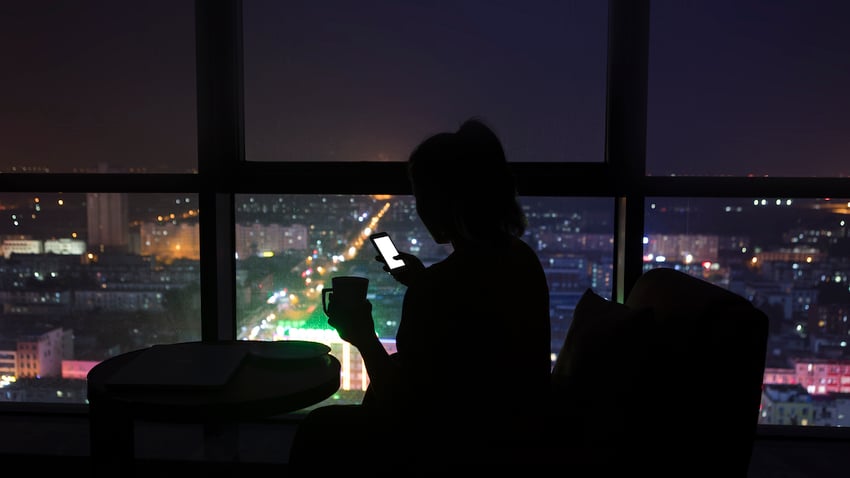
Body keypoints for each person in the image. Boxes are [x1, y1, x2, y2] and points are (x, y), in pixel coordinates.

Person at [288, 117, 551, 469]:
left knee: (316, 431)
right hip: (514, 440)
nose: (418, 208)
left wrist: (364, 337)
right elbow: (472, 333)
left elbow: (404, 408)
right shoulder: (522, 260)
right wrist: (424, 281)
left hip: (442, 448)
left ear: (445, 203)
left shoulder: (440, 288)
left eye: (421, 197)